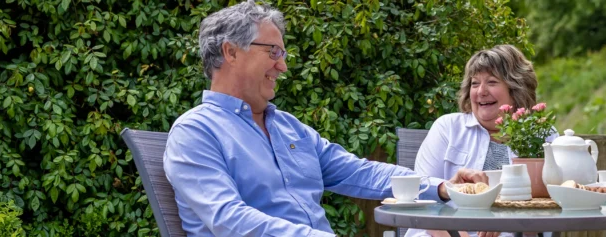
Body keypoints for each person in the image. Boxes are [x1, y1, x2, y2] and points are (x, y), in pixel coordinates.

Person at [163, 1, 486, 236]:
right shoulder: (195, 133)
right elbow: (229, 219)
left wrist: (441, 186)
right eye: (273, 52)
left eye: (283, 54)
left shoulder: (289, 127)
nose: (283, 66)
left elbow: (360, 172)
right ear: (231, 52)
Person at [407, 45, 558, 237]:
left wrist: (507, 222)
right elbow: (423, 195)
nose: (481, 91)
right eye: (475, 83)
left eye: (492, 82)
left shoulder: (542, 134)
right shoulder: (448, 128)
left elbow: (552, 207)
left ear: (516, 88)